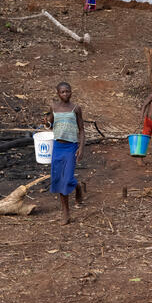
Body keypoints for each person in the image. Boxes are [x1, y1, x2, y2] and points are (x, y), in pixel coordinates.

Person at [44, 81, 86, 224]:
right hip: (57, 146)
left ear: (71, 92)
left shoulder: (76, 108)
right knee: (57, 179)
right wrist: (46, 123)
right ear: (58, 93)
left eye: (68, 91)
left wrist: (81, 148)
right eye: (62, 92)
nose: (65, 94)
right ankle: (66, 212)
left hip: (71, 147)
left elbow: (81, 130)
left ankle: (76, 186)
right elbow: (50, 125)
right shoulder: (54, 107)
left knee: (66, 179)